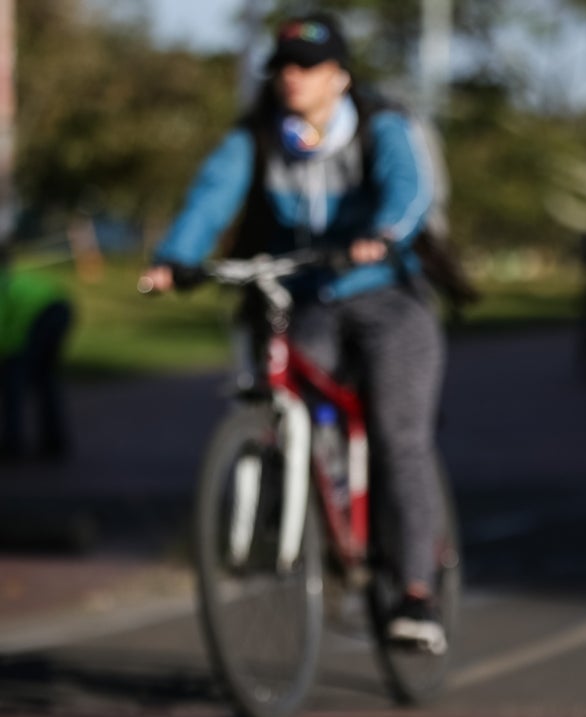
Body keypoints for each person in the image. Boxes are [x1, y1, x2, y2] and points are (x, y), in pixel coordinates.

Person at [144, 13, 448, 652]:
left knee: (399, 436)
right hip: (308, 296)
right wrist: (177, 258)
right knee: (282, 387)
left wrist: (385, 233)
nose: (291, 78)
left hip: (387, 298)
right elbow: (212, 194)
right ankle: (315, 513)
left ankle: (417, 592)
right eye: (282, 67)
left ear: (338, 75)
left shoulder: (379, 127)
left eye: (306, 67)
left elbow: (410, 186)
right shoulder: (259, 139)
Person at [0, 252, 74, 462]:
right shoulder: (10, 278)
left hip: (44, 316)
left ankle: (12, 443)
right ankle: (53, 442)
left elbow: (5, 331)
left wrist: (8, 357)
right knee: (44, 377)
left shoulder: (3, 284)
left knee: (15, 379)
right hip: (59, 308)